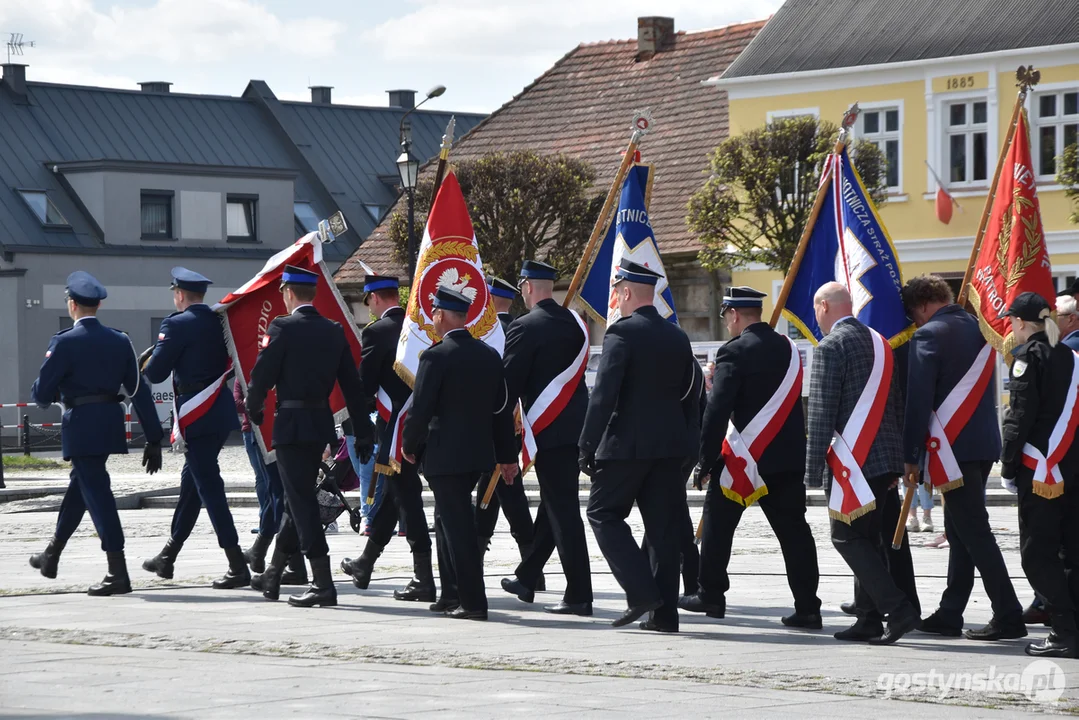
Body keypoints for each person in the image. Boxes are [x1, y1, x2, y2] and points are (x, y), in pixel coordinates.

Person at [681, 286, 822, 629]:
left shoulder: (733, 351)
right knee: (795, 534)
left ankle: (711, 595)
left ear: (733, 313)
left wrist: (705, 458)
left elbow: (717, 411)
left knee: (717, 526)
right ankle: (807, 606)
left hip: (745, 460)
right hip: (786, 459)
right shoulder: (789, 349)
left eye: (726, 316)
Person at [901, 275, 1024, 641]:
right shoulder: (979, 325)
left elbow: (918, 400)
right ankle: (951, 612)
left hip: (951, 448)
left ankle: (1009, 614)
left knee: (975, 532)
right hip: (982, 443)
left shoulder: (928, 335)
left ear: (922, 306)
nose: (915, 322)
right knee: (959, 531)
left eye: (913, 315)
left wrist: (910, 455)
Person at [28, 271, 164, 594]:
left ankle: (118, 571)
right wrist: (154, 437)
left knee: (98, 494)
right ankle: (52, 554)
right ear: (98, 305)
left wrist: (48, 390)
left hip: (81, 426)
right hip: (108, 424)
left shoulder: (63, 342)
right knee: (82, 487)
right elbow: (137, 389)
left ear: (72, 304)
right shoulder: (120, 340)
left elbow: (42, 394)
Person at [581, 259, 698, 633]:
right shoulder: (677, 336)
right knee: (663, 532)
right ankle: (665, 617)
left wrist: (586, 445)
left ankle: (641, 592)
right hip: (669, 446)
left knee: (602, 513)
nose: (614, 298)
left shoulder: (621, 334)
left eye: (616, 292)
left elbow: (604, 396)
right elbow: (687, 395)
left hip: (626, 446)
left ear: (627, 292)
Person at [246, 265, 373, 607]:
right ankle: (272, 575)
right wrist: (362, 431)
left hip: (290, 425)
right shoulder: (332, 331)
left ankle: (322, 582)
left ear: (288, 293)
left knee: (301, 502)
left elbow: (261, 375)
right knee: (295, 499)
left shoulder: (282, 328)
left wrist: (253, 408)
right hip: (319, 425)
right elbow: (352, 385)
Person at [805, 282, 920, 645]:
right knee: (868, 538)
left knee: (847, 536)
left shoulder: (830, 346)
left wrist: (811, 472)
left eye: (816, 310)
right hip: (884, 457)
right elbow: (897, 403)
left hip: (852, 461)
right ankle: (868, 618)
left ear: (824, 306)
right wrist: (898, 459)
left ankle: (896, 609)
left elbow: (821, 413)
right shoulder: (881, 343)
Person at [401, 286, 518, 621]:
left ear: (439, 315)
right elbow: (501, 412)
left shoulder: (435, 357)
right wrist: (506, 456)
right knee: (446, 522)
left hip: (444, 456)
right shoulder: (488, 355)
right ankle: (450, 592)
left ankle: (473, 601)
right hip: (476, 455)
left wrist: (409, 446)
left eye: (433, 314)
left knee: (458, 529)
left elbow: (420, 410)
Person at [140, 268, 248, 589]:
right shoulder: (220, 322)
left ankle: (236, 562)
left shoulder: (176, 323)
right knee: (193, 484)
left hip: (195, 415)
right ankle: (168, 556)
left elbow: (156, 373)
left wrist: (150, 357)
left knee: (209, 489)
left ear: (179, 294)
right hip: (218, 412)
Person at [498, 261, 593, 615]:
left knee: (564, 510)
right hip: (577, 429)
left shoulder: (524, 327)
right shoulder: (577, 324)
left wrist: (502, 435)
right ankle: (527, 575)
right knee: (555, 504)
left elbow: (509, 388)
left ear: (525, 286)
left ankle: (580, 594)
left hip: (549, 430)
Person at [340, 274, 434, 603]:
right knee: (397, 496)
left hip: (395, 429)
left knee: (407, 499)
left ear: (375, 299)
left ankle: (424, 577)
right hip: (424, 425)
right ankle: (366, 562)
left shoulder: (377, 332)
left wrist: (359, 428)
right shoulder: (422, 330)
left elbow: (364, 388)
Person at [1001, 292, 1079, 658]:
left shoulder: (1027, 358)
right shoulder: (1070, 356)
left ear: (1020, 322)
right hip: (1072, 468)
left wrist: (1008, 464)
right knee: (1071, 551)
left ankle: (1064, 631)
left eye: (1011, 322)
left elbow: (1019, 417)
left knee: (1036, 554)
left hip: (1041, 471)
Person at [475, 277, 538, 574]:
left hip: (491, 424)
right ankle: (528, 564)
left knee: (505, 492)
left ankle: (530, 565)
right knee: (497, 490)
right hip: (514, 425)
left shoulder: (486, 333)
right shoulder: (520, 329)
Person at [234, 378, 284, 573]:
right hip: (255, 429)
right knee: (269, 486)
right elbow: (237, 402)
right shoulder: (243, 372)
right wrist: (252, 403)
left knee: (278, 492)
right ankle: (264, 549)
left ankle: (261, 548)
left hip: (276, 429)